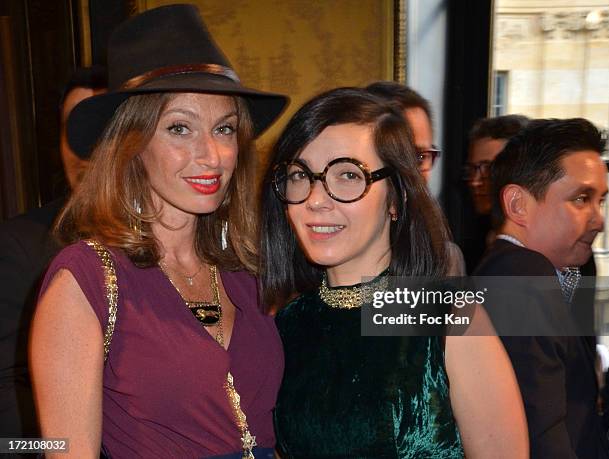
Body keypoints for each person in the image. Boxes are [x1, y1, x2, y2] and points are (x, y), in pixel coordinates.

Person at [30, 5, 287, 458]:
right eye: (179, 128)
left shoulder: (247, 271)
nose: (211, 155)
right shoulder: (87, 279)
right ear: (132, 142)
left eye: (224, 128)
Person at [260, 88, 528, 458]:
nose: (315, 199)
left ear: (396, 199)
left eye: (349, 176)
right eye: (298, 175)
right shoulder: (287, 326)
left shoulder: (448, 317)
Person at [473, 118, 609, 458]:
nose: (599, 219)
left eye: (601, 200)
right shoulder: (519, 276)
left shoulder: (531, 273)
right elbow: (541, 429)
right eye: (581, 199)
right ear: (518, 204)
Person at [0, 66, 105, 440]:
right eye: (72, 131)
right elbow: (8, 404)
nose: (84, 151)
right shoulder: (21, 245)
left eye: (98, 131)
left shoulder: (179, 245)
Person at [366, 80, 466, 275]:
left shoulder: (445, 258)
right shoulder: (323, 248)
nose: (409, 171)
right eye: (397, 156)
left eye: (420, 157)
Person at [461, 114, 529, 272]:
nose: (475, 181)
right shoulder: (474, 240)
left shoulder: (555, 247)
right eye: (472, 169)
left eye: (488, 169)